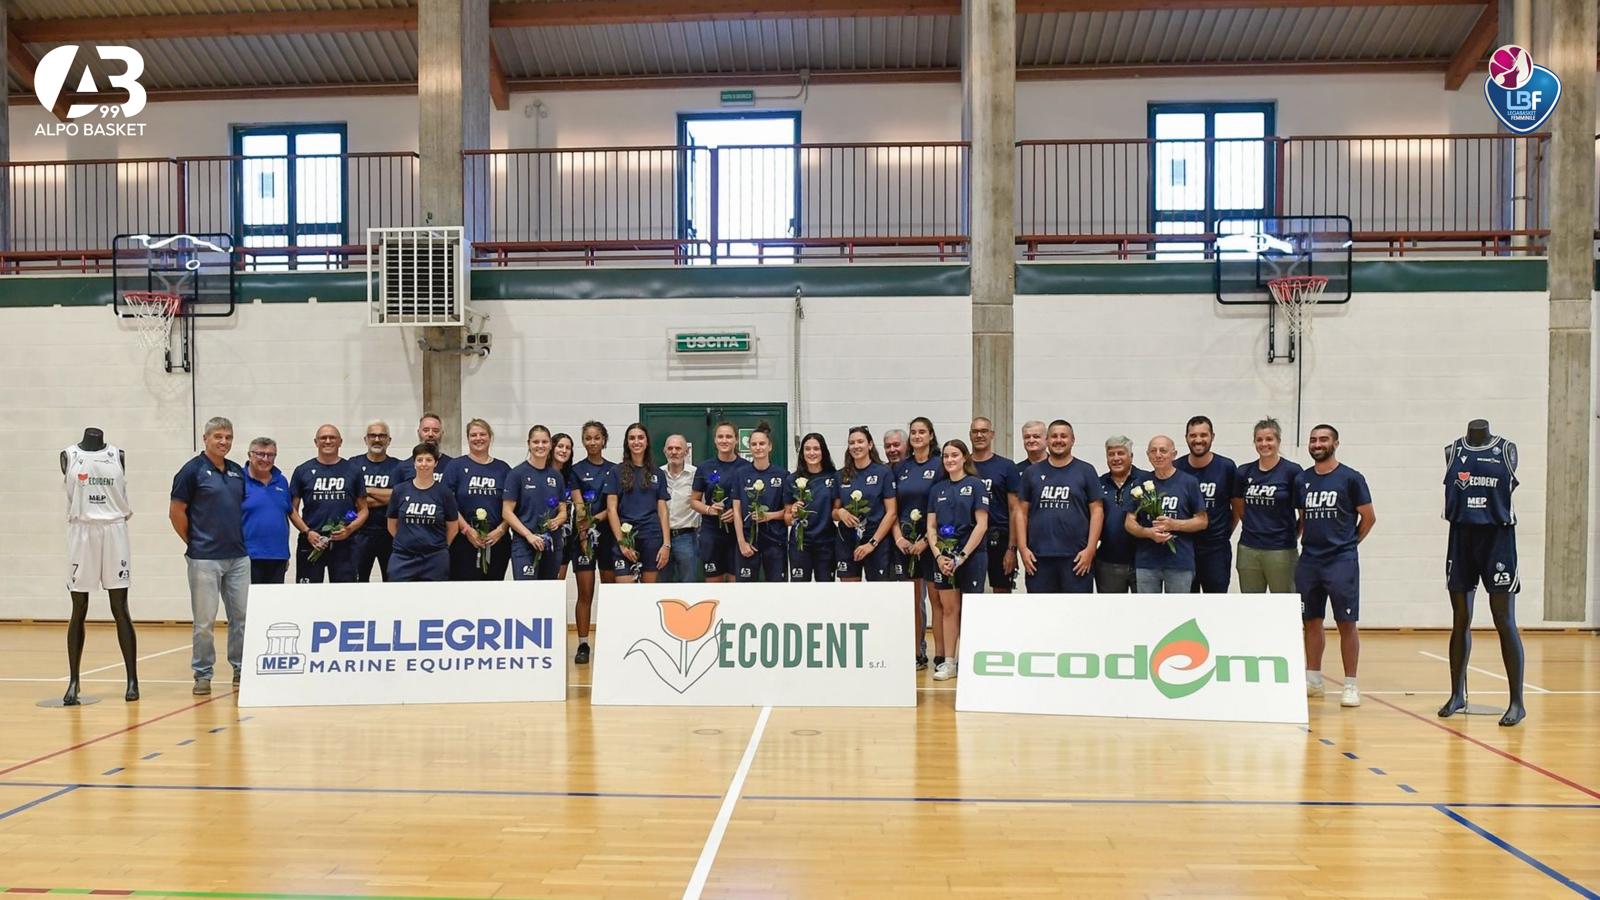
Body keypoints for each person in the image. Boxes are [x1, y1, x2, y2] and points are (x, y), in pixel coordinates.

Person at [1439, 419, 1524, 726]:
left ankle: (1517, 702)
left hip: (1498, 538)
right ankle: (1456, 694)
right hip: (1461, 536)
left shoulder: (1506, 449)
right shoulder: (1453, 450)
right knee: (1460, 618)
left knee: (1504, 619)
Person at [1297, 424, 1376, 709]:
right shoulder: (1302, 479)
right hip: (1309, 561)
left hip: (1341, 561)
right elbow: (1302, 518)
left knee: (1346, 622)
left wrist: (1349, 544)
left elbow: (1368, 517)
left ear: (1335, 443)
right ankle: (1314, 680)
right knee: (1311, 621)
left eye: (1323, 439)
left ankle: (1350, 684)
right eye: (1313, 440)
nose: (1317, 444)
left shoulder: (1351, 478)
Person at [169, 416, 249, 696]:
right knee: (204, 622)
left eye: (228, 437)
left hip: (238, 558)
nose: (223, 442)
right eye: (218, 437)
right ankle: (203, 674)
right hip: (204, 558)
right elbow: (176, 512)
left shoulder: (237, 471)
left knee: (241, 617)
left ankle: (241, 669)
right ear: (205, 439)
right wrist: (194, 543)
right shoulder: (191, 471)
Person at [61, 427, 137, 705]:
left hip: (114, 529)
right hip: (82, 530)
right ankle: (74, 680)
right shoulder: (69, 455)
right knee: (79, 607)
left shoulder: (117, 455)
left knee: (120, 607)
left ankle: (132, 679)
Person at [924, 439, 990, 682]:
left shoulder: (976, 485)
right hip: (943, 560)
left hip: (971, 557)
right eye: (946, 456)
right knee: (949, 609)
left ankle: (971, 660)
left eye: (954, 455)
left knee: (971, 610)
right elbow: (931, 527)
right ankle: (949, 662)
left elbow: (981, 525)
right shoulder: (937, 490)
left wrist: (961, 557)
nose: (950, 460)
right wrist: (939, 556)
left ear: (964, 458)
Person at [1015, 420, 1103, 594]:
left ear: (1073, 440)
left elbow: (1097, 511)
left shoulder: (1086, 470)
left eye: (1064, 436)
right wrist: (1023, 549)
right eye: (1054, 436)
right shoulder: (1031, 473)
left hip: (1077, 558)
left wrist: (1090, 549)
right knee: (1041, 609)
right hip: (1038, 558)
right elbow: (1021, 513)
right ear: (1047, 440)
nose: (1058, 440)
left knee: (1076, 609)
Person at [1125, 435, 1206, 594]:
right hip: (1147, 562)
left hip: (1179, 562)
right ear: (1148, 455)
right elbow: (1129, 522)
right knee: (1148, 609)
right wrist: (1148, 532)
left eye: (1163, 450)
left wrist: (1174, 524)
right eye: (1153, 451)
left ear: (1173, 454)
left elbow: (1202, 521)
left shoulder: (1189, 482)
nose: (1158, 455)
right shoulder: (1140, 483)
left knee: (1178, 609)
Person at [288, 425, 367, 583]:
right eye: (323, 438)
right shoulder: (302, 470)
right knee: (308, 592)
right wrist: (307, 532)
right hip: (311, 541)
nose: (328, 441)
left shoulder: (353, 470)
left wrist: (349, 529)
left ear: (340, 442)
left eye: (332, 438)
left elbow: (363, 510)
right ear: (316, 442)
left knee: (345, 593)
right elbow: (292, 509)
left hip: (344, 542)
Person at [1232, 418, 1302, 593]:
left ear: (1278, 441)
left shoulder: (1292, 471)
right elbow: (1238, 504)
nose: (1264, 444)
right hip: (1248, 548)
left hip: (1281, 550)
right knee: (1252, 603)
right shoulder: (1243, 472)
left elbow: (1304, 513)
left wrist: (1293, 534)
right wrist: (1252, 524)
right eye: (1259, 439)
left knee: (1284, 602)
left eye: (1269, 439)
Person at [570, 421, 619, 664]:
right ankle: (583, 644)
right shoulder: (576, 470)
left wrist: (595, 519)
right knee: (585, 592)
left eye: (596, 438)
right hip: (582, 535)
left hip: (608, 535)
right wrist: (584, 528)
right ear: (583, 441)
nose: (592, 442)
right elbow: (579, 504)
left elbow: (613, 507)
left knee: (609, 591)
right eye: (588, 438)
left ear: (604, 440)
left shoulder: (615, 470)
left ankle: (610, 641)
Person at [893, 418, 940, 665]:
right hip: (906, 545)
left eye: (922, 432)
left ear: (931, 435)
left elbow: (944, 504)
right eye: (913, 432)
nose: (917, 436)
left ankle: (941, 655)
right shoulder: (901, 467)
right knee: (912, 602)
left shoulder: (940, 464)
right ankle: (916, 653)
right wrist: (899, 537)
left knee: (936, 601)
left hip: (932, 544)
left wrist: (927, 541)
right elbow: (892, 508)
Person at [442, 419, 512, 581]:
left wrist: (500, 531)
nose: (478, 438)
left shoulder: (503, 469)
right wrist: (467, 530)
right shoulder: (455, 466)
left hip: (496, 541)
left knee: (492, 591)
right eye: (473, 435)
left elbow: (512, 507)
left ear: (490, 437)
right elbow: (447, 503)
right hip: (463, 541)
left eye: (482, 434)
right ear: (467, 438)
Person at [1176, 415, 1238, 593]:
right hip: (1185, 549)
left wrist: (1223, 533)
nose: (1198, 440)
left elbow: (1236, 508)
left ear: (1212, 436)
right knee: (1187, 605)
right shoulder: (1176, 467)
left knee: (1216, 603)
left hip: (1216, 550)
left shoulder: (1226, 467)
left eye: (1203, 435)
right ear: (1186, 438)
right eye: (1193, 435)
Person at [606, 423, 671, 584]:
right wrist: (622, 543)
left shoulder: (658, 473)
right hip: (625, 536)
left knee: (647, 593)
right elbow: (611, 510)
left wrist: (666, 544)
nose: (636, 442)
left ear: (647, 442)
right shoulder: (616, 472)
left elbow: (663, 510)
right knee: (625, 590)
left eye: (640, 438)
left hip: (651, 536)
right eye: (632, 438)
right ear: (627, 443)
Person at [503, 425, 569, 581]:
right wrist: (529, 535)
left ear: (550, 445)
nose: (540, 446)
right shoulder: (517, 474)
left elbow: (563, 511)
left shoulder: (556, 476)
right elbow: (507, 512)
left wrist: (557, 520)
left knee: (548, 592)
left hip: (551, 544)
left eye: (544, 442)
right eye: (536, 442)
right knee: (528, 592)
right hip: (525, 544)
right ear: (529, 444)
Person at [386, 443, 459, 582]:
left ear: (435, 463)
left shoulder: (444, 492)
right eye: (419, 460)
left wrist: (438, 548)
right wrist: (406, 543)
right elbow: (391, 525)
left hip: (435, 559)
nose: (424, 464)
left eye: (429, 460)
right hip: (403, 558)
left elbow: (453, 528)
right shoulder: (400, 490)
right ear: (414, 463)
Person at [834, 426, 898, 582]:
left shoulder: (883, 472)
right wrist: (841, 513)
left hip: (876, 540)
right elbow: (834, 511)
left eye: (860, 441)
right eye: (852, 443)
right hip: (847, 540)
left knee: (877, 592)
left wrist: (872, 543)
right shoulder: (840, 475)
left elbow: (891, 513)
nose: (856, 446)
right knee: (849, 592)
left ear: (870, 444)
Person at [969, 416, 1022, 593]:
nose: (979, 435)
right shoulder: (962, 465)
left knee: (1001, 593)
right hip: (968, 536)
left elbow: (1015, 509)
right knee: (968, 592)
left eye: (984, 431)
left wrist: (1012, 549)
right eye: (975, 431)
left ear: (992, 435)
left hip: (999, 538)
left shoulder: (1007, 466)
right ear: (970, 435)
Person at [733, 423, 791, 582]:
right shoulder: (740, 474)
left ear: (769, 446)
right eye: (754, 444)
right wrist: (741, 542)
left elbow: (788, 512)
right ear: (749, 447)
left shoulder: (783, 475)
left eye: (762, 443)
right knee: (746, 589)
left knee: (776, 589)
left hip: (775, 542)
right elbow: (737, 510)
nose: (758, 447)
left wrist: (769, 516)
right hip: (749, 541)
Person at [691, 421, 748, 583]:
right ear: (715, 440)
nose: (724, 440)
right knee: (713, 584)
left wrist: (737, 513)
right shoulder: (705, 467)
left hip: (737, 533)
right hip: (711, 533)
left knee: (736, 583)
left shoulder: (746, 468)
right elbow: (693, 501)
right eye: (720, 436)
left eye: (729, 436)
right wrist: (710, 509)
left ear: (736, 440)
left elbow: (750, 502)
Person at [1095, 435, 1150, 593]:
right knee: (1111, 608)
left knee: (1145, 607)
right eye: (1111, 454)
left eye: (1121, 453)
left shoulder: (1146, 480)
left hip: (1143, 562)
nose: (1116, 458)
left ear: (1131, 456)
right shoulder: (1098, 483)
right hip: (1108, 562)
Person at [350, 420, 400, 582]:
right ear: (365, 439)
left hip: (390, 534)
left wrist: (366, 490)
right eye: (372, 435)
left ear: (389, 440)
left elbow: (399, 498)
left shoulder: (398, 467)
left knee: (392, 581)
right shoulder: (353, 464)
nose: (377, 439)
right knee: (358, 582)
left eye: (382, 436)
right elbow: (351, 499)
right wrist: (387, 497)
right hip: (360, 534)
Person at [787, 433, 839, 583]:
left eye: (816, 448)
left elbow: (836, 511)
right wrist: (793, 513)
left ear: (823, 451)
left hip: (826, 542)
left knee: (826, 589)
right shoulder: (792, 479)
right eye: (807, 449)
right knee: (800, 590)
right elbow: (786, 518)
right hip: (800, 544)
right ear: (802, 453)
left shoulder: (834, 477)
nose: (812, 453)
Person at [241, 438, 292, 584]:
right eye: (260, 454)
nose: (265, 459)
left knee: (274, 598)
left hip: (278, 555)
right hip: (247, 555)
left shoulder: (281, 480)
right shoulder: (238, 480)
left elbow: (288, 512)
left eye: (270, 455)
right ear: (249, 455)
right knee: (250, 598)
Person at [661, 434, 701, 583]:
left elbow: (702, 503)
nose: (674, 452)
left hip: (686, 537)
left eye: (678, 448)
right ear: (664, 451)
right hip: (660, 537)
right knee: (662, 585)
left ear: (686, 451)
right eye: (670, 448)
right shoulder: (657, 474)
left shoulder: (696, 474)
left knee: (688, 584)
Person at [395, 413, 452, 484]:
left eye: (435, 431)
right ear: (418, 433)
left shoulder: (452, 465)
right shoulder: (403, 467)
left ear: (442, 433)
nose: (430, 434)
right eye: (426, 430)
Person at [552, 432, 578, 582]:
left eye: (568, 448)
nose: (564, 450)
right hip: (542, 535)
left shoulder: (571, 476)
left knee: (557, 585)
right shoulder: (541, 472)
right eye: (560, 446)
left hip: (565, 536)